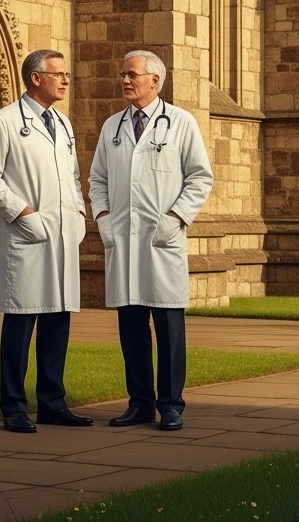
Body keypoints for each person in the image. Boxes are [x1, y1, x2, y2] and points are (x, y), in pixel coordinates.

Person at [89, 50, 213, 431]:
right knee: (131, 327)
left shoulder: (180, 123)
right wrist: (105, 221)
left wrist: (174, 219)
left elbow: (200, 178)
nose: (125, 80)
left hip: (163, 241)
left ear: (155, 80)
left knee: (169, 327)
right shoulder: (112, 127)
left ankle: (171, 405)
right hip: (123, 242)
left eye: (132, 74)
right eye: (123, 74)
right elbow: (97, 181)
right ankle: (139, 403)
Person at [0, 49, 90, 433]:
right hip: (29, 235)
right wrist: (24, 215)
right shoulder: (5, 121)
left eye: (66, 74)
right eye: (58, 74)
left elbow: (72, 176)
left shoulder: (64, 124)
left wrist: (79, 214)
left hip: (63, 234)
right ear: (36, 78)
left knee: (58, 320)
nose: (65, 80)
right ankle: (14, 406)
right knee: (21, 323)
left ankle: (53, 402)